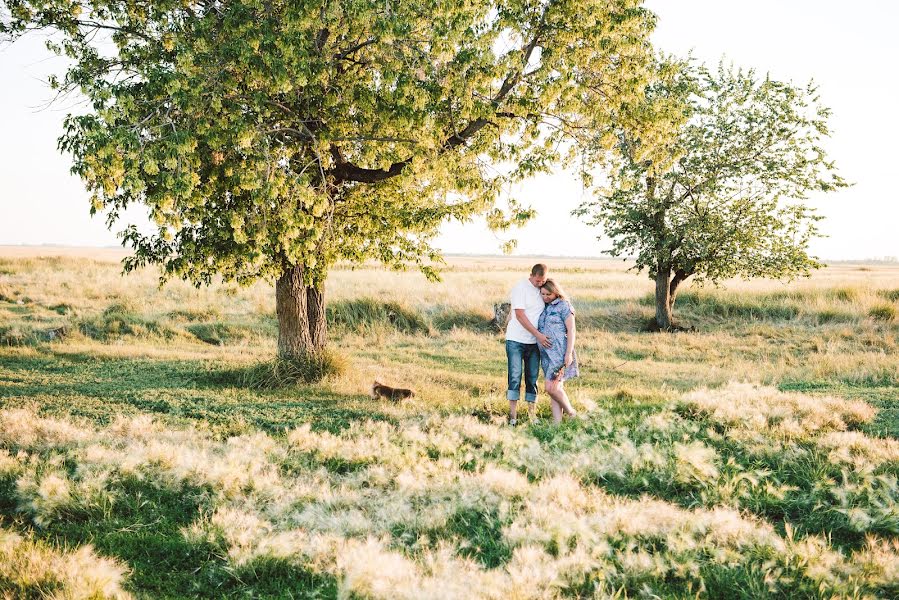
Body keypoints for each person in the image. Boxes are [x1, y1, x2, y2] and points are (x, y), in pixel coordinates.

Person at [505, 263, 551, 426]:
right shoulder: (520, 288)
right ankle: (513, 417)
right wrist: (538, 334)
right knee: (515, 376)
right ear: (531, 275)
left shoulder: (543, 289)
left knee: (532, 378)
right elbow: (519, 315)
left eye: (543, 281)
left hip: (533, 344)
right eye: (538, 281)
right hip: (516, 339)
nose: (540, 284)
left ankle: (532, 415)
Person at [538, 279, 579, 424]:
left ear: (556, 291)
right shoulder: (545, 307)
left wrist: (568, 353)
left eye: (548, 294)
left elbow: (571, 330)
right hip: (546, 354)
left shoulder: (564, 306)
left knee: (551, 387)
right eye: (542, 294)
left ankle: (571, 412)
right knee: (555, 389)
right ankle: (557, 423)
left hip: (559, 353)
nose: (545, 297)